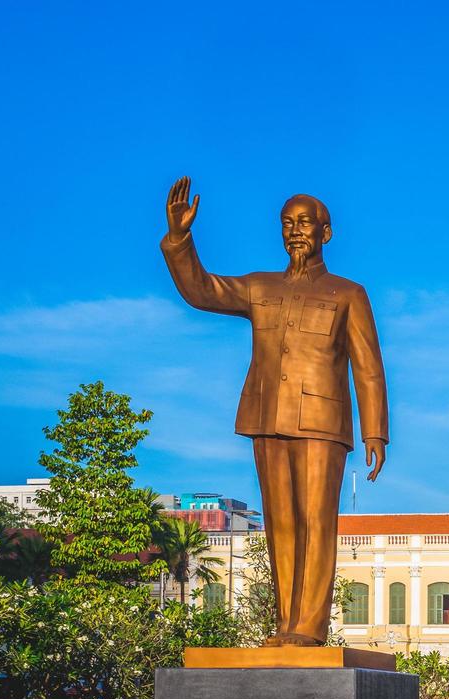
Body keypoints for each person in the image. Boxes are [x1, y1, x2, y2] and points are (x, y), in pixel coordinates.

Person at [161, 177, 388, 645]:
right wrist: (181, 239)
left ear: (327, 232)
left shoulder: (348, 293)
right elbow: (202, 290)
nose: (295, 230)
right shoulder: (259, 287)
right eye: (287, 223)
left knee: (316, 524)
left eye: (305, 222)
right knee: (279, 524)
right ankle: (286, 626)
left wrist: (375, 432)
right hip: (267, 418)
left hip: (324, 424)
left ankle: (309, 627)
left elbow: (368, 367)